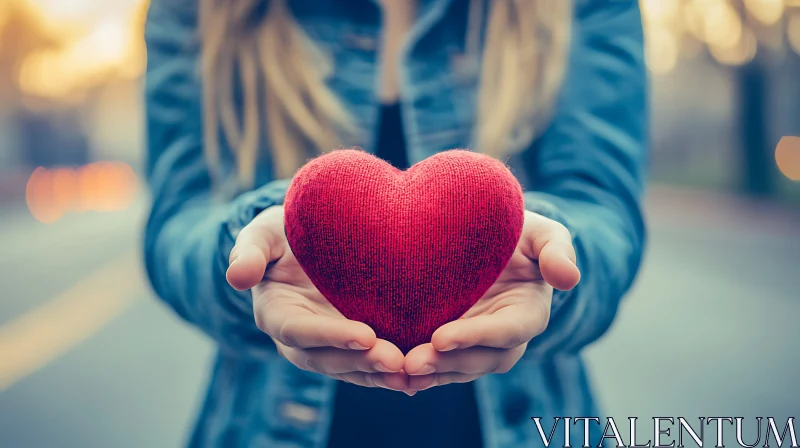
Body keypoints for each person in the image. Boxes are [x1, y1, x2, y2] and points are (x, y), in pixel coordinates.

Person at [143, 0, 648, 446]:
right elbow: (175, 224)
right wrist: (249, 252)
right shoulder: (200, 8)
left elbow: (603, 209)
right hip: (264, 424)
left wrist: (546, 256)